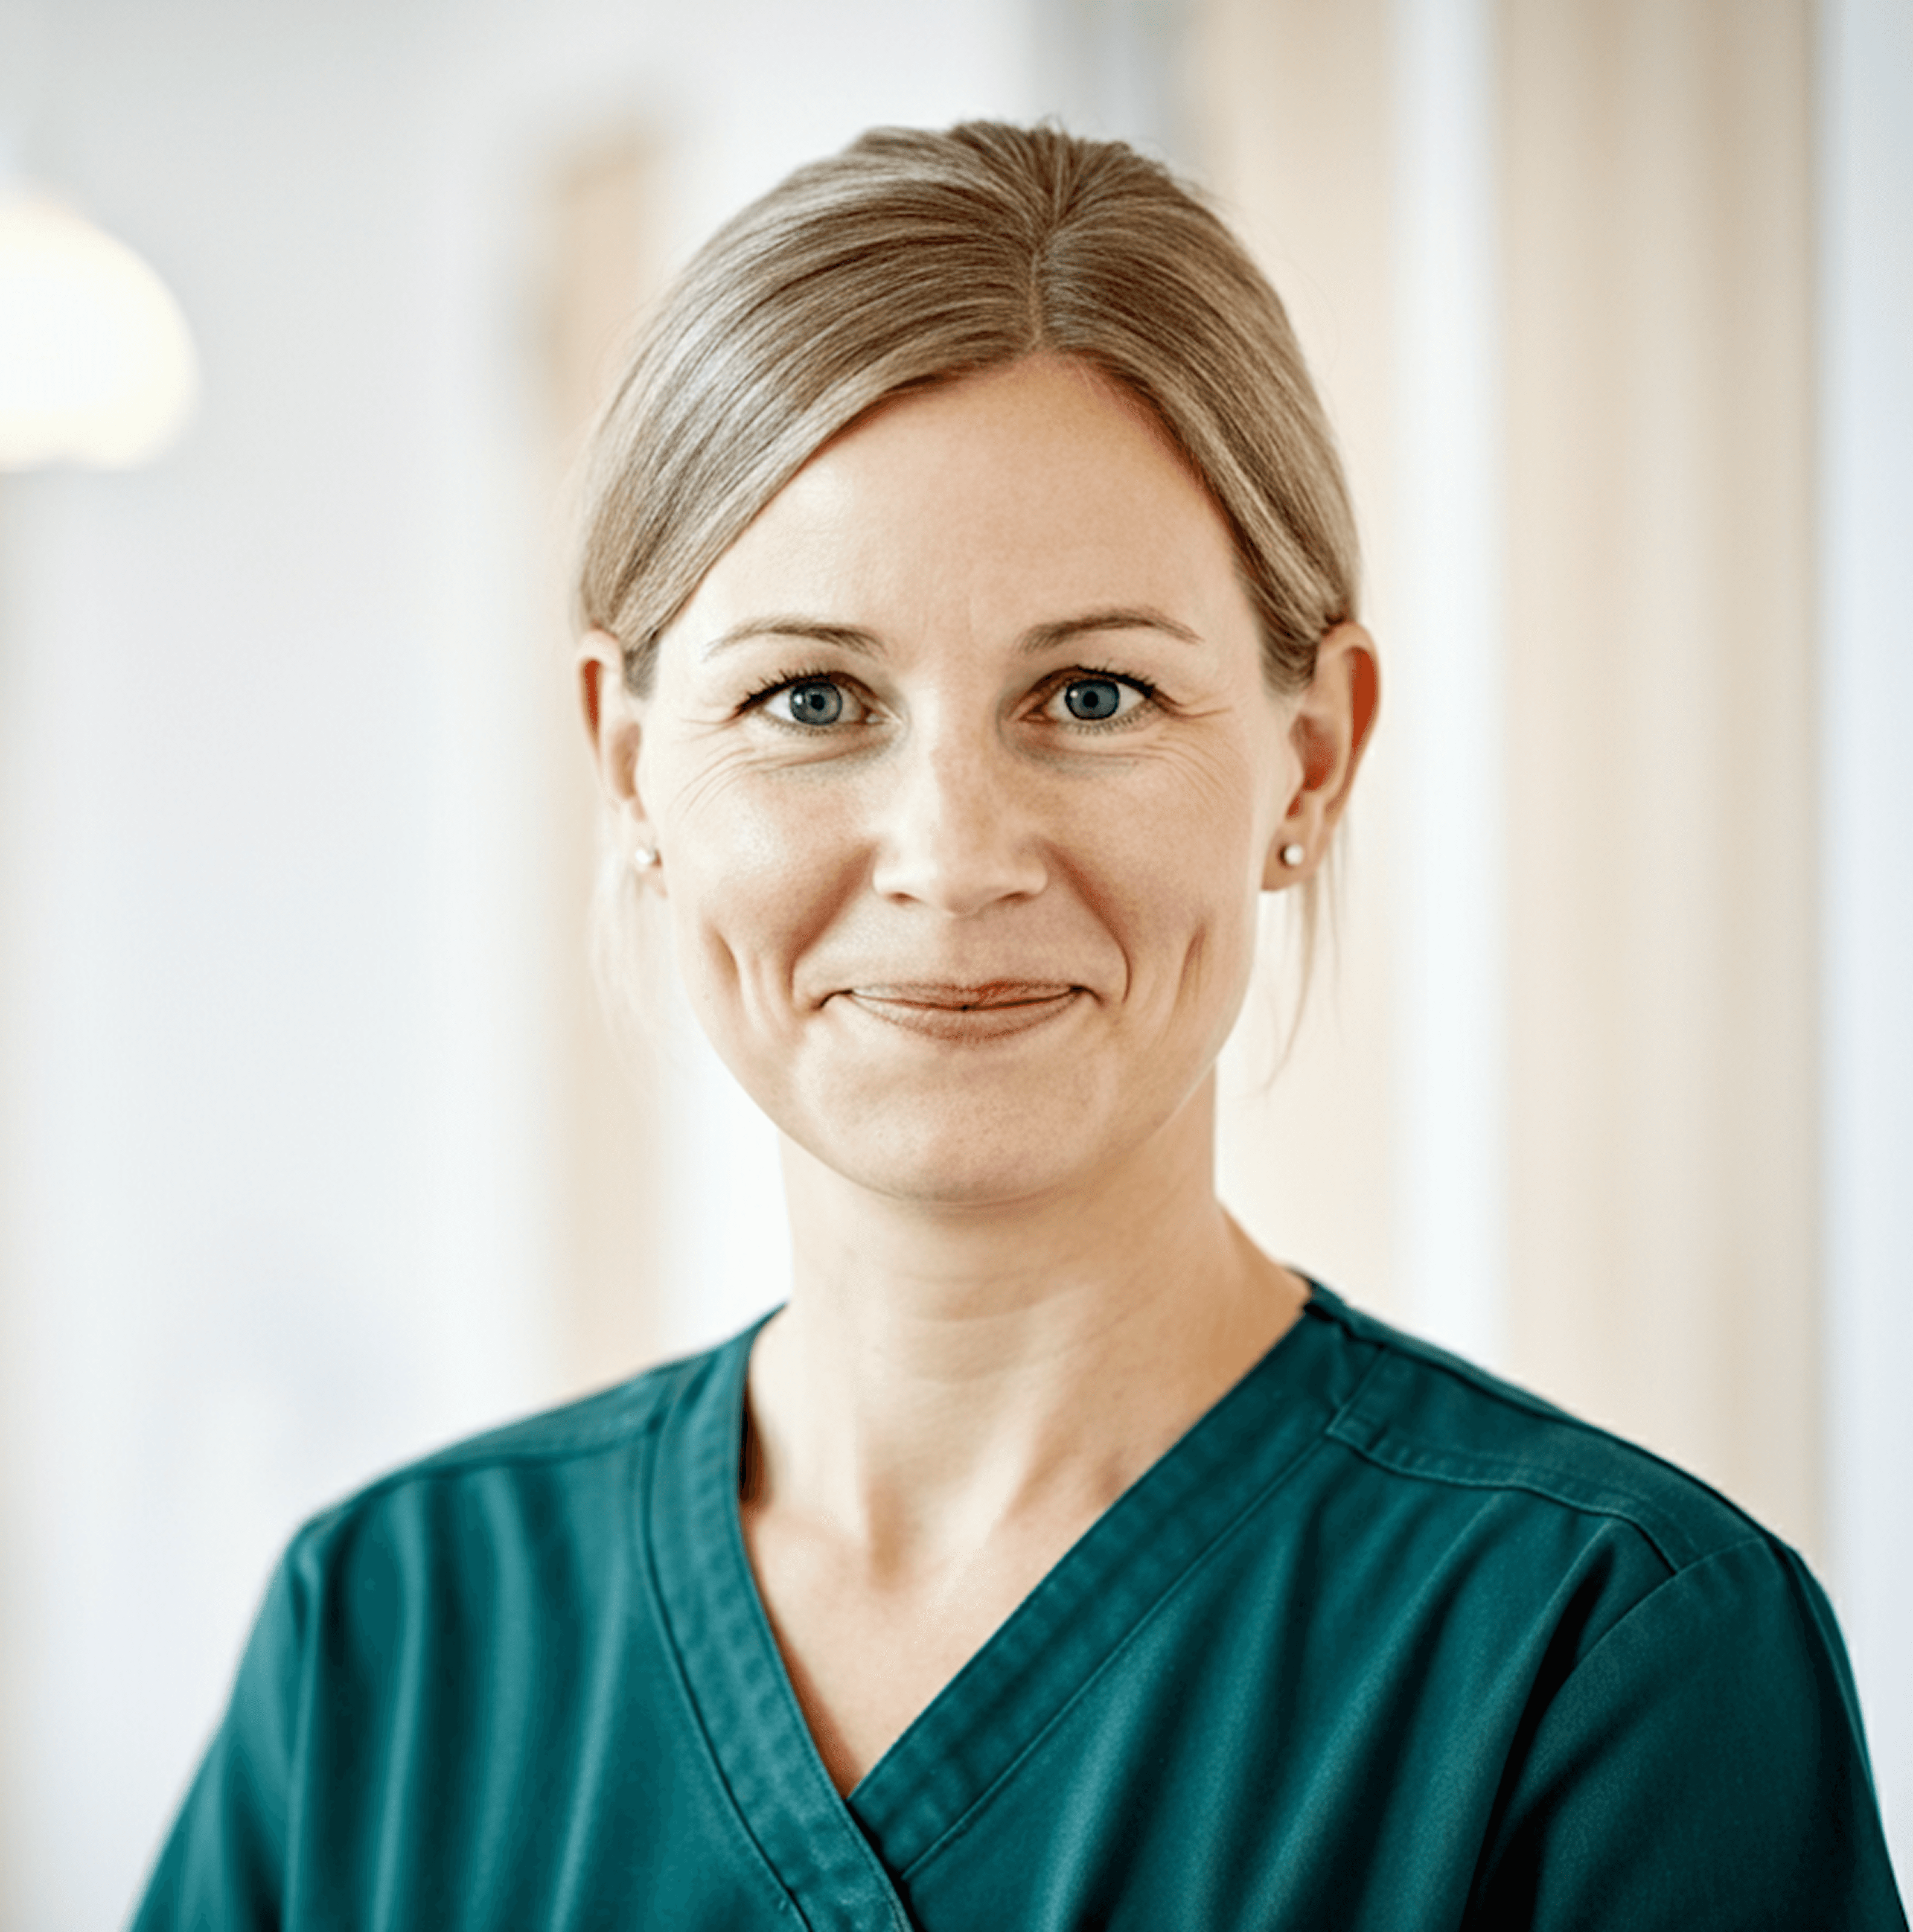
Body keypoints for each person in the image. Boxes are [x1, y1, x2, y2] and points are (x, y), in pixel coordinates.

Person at [133, 121, 1906, 1929]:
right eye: (811, 698)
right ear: (629, 765)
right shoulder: (391, 1645)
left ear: (1309, 759)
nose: (954, 858)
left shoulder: (1604, 1665)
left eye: (1093, 694)